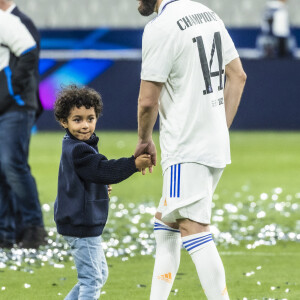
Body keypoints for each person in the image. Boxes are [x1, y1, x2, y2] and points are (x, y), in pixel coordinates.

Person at [135, 0, 247, 299]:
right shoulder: (206, 12)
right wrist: (217, 129)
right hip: (213, 144)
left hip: (186, 147)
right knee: (166, 222)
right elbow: (238, 75)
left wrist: (144, 140)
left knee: (192, 227)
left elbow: (148, 101)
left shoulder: (160, 27)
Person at [53, 85, 152, 299]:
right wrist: (133, 164)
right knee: (92, 280)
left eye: (90, 118)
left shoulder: (77, 144)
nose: (85, 125)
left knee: (99, 274)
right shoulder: (78, 148)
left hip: (80, 222)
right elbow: (102, 170)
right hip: (81, 224)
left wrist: (98, 185)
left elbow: (91, 174)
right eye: (77, 119)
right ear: (64, 122)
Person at [0, 1, 46, 249]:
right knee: (6, 167)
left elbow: (29, 58)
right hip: (9, 103)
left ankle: (32, 228)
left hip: (17, 105)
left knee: (12, 165)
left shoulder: (17, 21)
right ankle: (8, 231)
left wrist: (14, 91)